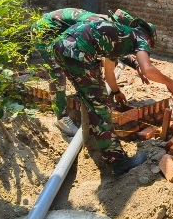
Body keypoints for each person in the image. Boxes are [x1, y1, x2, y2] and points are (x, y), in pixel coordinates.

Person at [53, 18, 173, 175]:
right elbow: (148, 69)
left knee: (92, 99)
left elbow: (108, 73)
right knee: (100, 109)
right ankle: (118, 163)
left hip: (61, 47)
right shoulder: (140, 38)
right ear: (148, 38)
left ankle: (98, 137)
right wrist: (171, 84)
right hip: (79, 52)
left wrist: (115, 92)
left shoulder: (116, 37)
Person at [32, 8, 146, 136]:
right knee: (58, 72)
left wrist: (136, 64)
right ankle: (61, 118)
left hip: (62, 33)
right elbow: (112, 50)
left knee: (89, 65)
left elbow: (116, 48)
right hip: (45, 33)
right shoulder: (98, 24)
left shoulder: (107, 26)